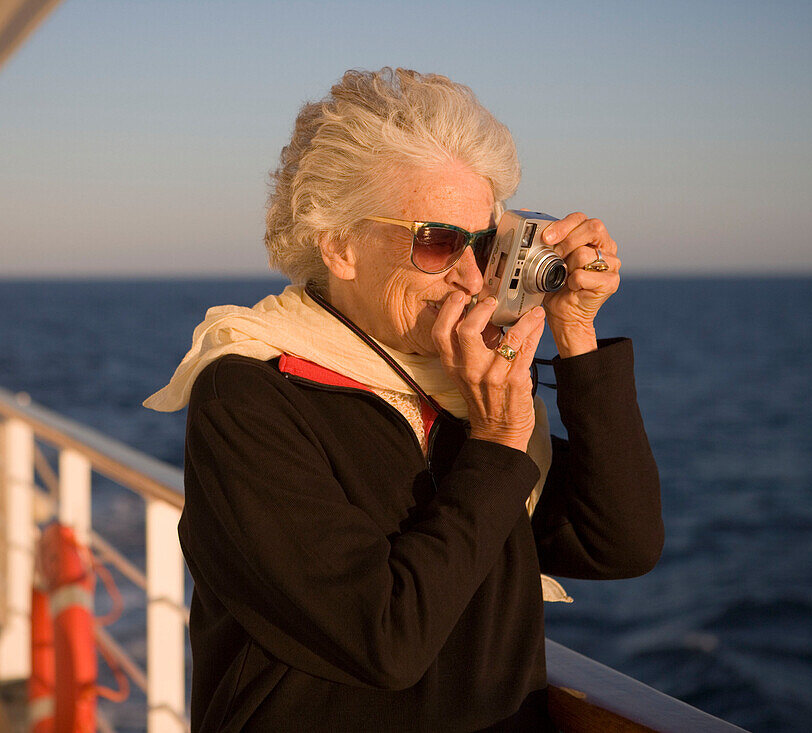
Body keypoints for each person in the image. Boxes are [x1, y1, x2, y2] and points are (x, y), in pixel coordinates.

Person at [145, 67, 662, 732]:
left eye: (483, 243)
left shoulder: (452, 391)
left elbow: (619, 542)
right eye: (439, 240)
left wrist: (577, 333)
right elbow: (383, 639)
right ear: (340, 245)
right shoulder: (249, 395)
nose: (472, 275)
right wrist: (498, 441)